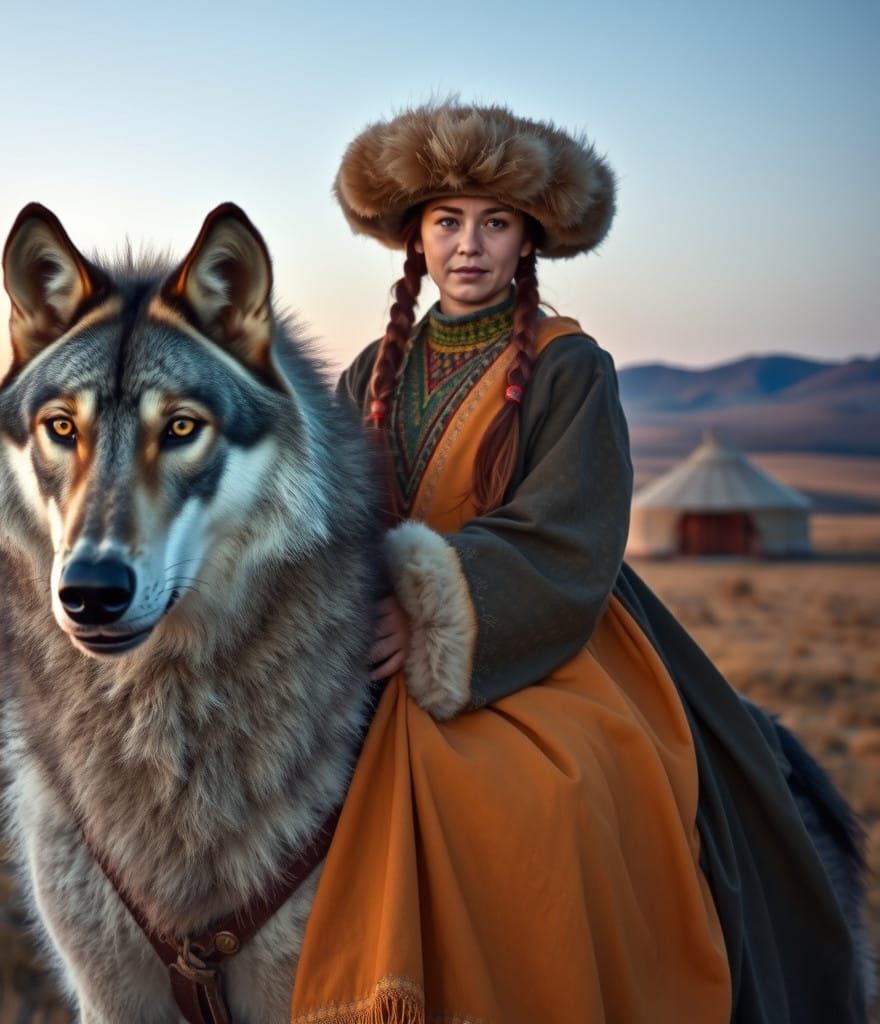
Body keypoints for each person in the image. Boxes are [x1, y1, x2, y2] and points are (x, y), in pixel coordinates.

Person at [287, 102, 869, 1023]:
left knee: (554, 790)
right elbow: (328, 514)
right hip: (366, 630)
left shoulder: (571, 367)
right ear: (415, 238)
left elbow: (572, 528)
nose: (468, 245)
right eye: (448, 221)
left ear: (529, 240)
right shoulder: (369, 372)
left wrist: (430, 613)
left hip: (539, 621)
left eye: (495, 222)